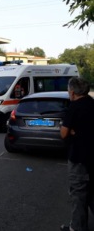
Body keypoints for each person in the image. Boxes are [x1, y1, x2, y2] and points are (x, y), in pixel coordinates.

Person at [60, 77, 94, 231]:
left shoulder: (74, 107)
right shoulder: (92, 103)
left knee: (78, 194)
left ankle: (77, 228)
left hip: (79, 157)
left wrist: (71, 130)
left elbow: (64, 133)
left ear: (72, 92)